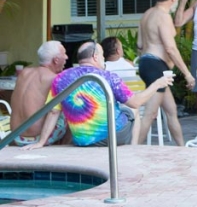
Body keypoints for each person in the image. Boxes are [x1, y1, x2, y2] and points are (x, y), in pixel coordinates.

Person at [27, 41, 170, 149]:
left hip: (82, 141)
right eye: (102, 55)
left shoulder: (61, 78)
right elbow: (136, 102)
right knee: (133, 109)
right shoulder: (108, 77)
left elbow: (53, 111)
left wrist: (41, 142)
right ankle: (133, 149)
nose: (103, 59)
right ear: (95, 57)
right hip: (112, 137)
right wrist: (157, 84)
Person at [137, 0, 193, 147]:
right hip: (156, 66)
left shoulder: (147, 14)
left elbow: (140, 44)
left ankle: (182, 148)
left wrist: (184, 1)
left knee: (171, 111)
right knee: (150, 113)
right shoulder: (163, 16)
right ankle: (131, 150)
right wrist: (187, 73)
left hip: (148, 63)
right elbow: (170, 48)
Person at [9, 41, 68, 146]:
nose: (67, 57)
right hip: (35, 139)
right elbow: (55, 112)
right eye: (64, 54)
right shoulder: (54, 79)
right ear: (56, 60)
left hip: (15, 136)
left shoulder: (24, 73)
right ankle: (62, 150)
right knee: (74, 111)